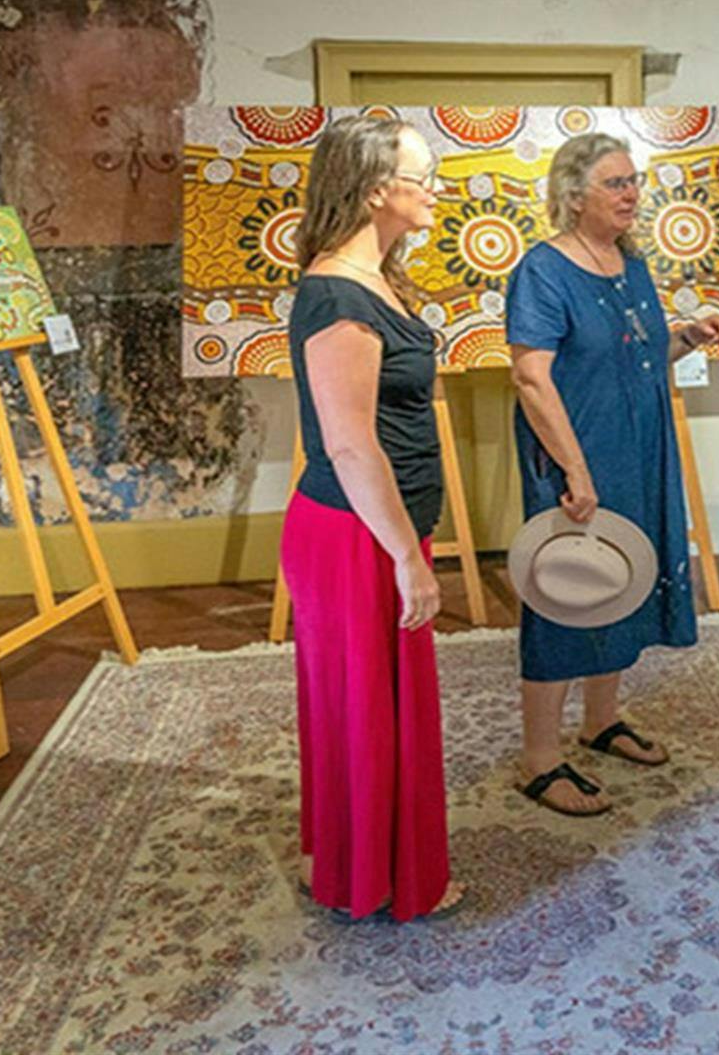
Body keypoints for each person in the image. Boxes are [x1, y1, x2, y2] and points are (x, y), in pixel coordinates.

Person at [506, 132, 719, 815]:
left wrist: (686, 337)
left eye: (634, 181)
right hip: (579, 456)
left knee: (624, 583)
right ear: (573, 197)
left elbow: (636, 354)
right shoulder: (543, 271)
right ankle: (539, 758)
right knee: (565, 597)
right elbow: (531, 377)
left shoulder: (628, 264)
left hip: (641, 449)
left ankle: (600, 721)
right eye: (615, 183)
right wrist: (575, 470)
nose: (632, 194)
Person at [280, 112, 463, 919]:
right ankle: (376, 879)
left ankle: (371, 867)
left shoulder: (371, 279)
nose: (435, 192)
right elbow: (352, 448)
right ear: (378, 189)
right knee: (369, 717)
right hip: (355, 538)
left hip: (375, 529)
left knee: (378, 713)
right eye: (423, 178)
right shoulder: (338, 296)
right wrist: (407, 558)